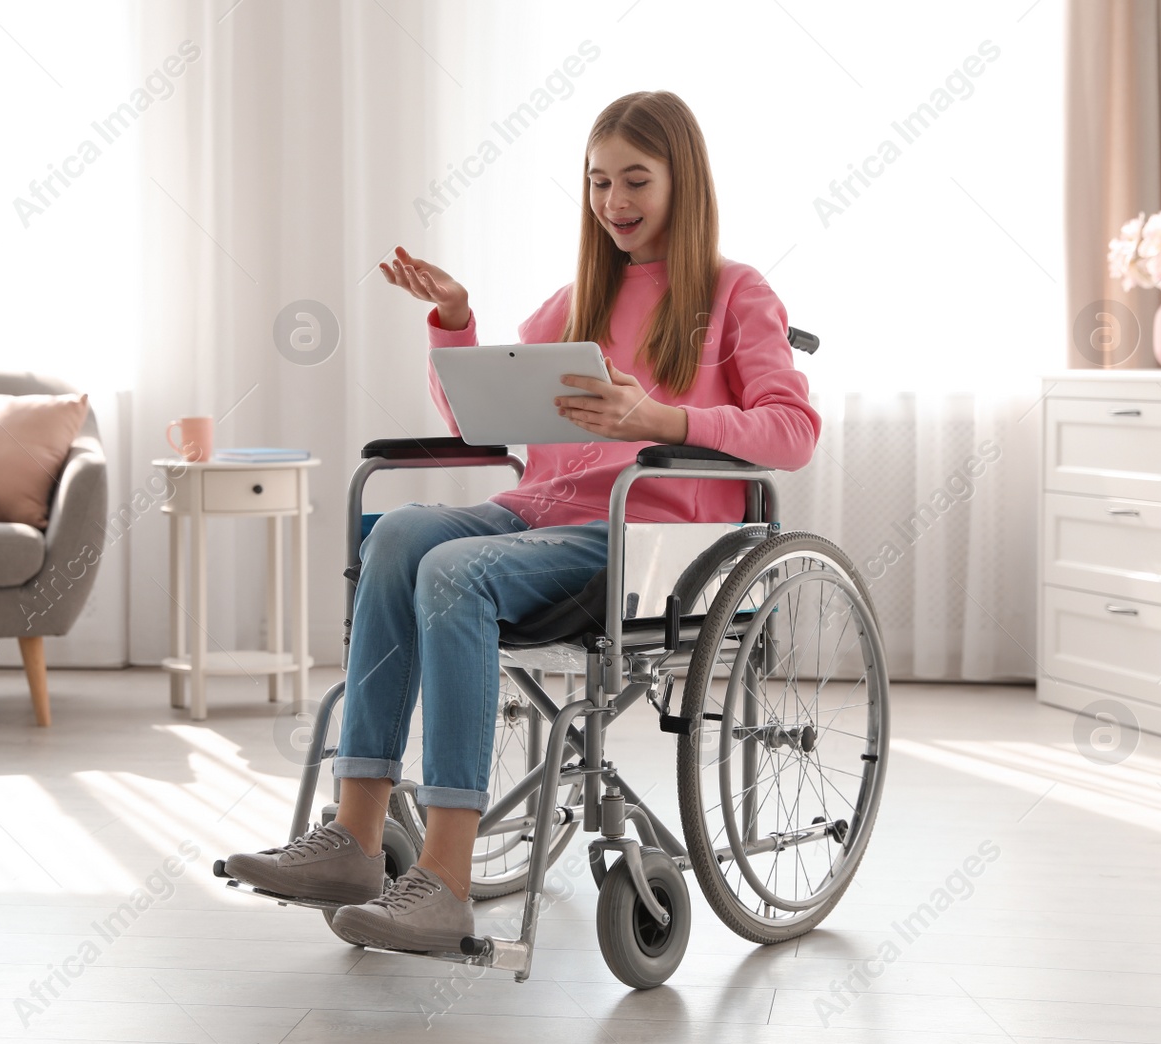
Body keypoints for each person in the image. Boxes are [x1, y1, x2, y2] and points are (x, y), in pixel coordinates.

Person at [223, 90, 820, 953]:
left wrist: (662, 418)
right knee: (394, 534)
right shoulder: (575, 300)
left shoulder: (736, 294)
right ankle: (354, 842)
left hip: (644, 537)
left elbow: (792, 431)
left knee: (453, 570)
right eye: (598, 182)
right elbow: (483, 420)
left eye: (636, 181)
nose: (614, 202)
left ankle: (445, 880)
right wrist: (457, 324)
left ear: (683, 181)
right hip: (539, 516)